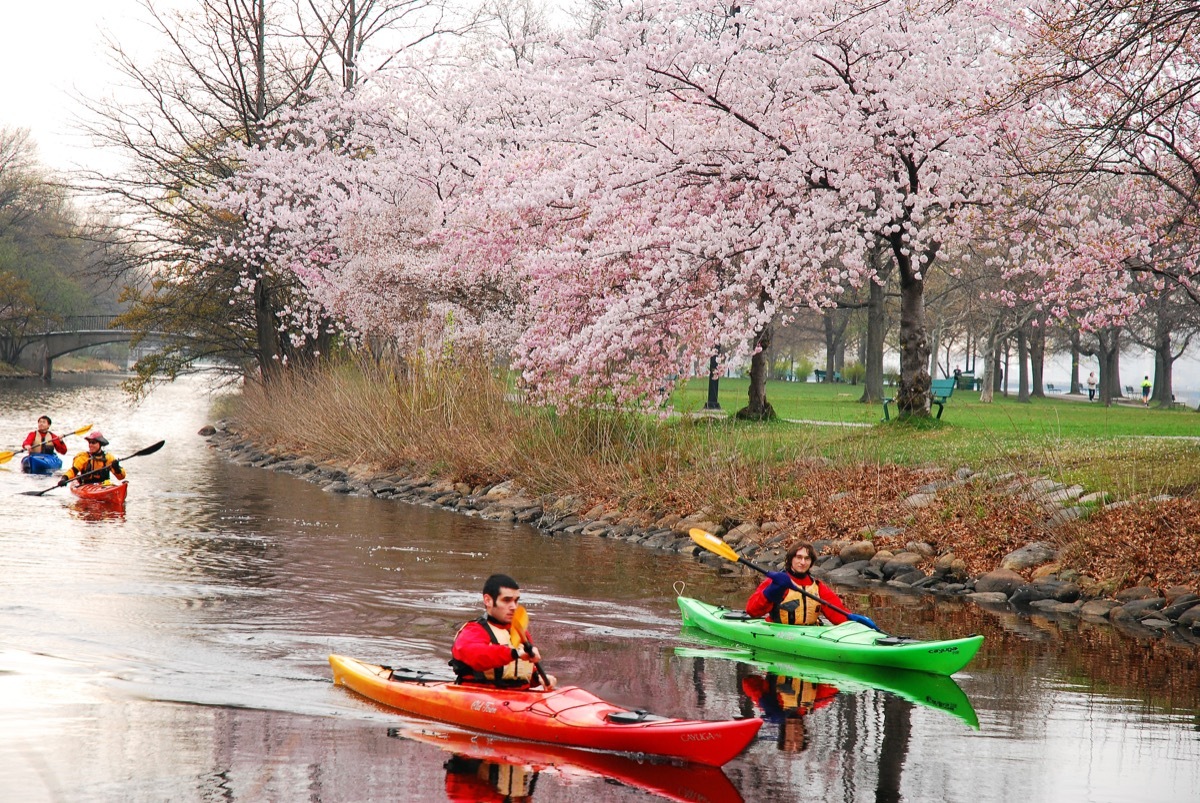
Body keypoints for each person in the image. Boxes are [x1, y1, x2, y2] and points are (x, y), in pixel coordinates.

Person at [450, 574, 554, 688]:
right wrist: (515, 653)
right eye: (506, 600)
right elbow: (478, 656)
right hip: (480, 697)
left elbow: (525, 674)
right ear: (488, 600)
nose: (514, 606)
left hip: (517, 700)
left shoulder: (521, 633)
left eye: (516, 601)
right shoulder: (472, 631)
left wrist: (539, 678)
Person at [746, 542, 851, 625]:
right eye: (799, 557)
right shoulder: (777, 582)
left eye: (807, 558)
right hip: (778, 633)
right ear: (791, 559)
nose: (803, 562)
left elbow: (839, 614)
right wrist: (771, 591)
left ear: (811, 562)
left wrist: (854, 625)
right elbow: (752, 611)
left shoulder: (817, 587)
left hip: (809, 635)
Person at [741, 673, 838, 752]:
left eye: (789, 740)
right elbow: (835, 686)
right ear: (803, 733)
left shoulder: (773, 707)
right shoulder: (813, 703)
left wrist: (764, 700)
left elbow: (747, 682)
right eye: (799, 741)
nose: (795, 734)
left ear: (783, 734)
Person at [59, 431, 126, 488]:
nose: (90, 445)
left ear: (100, 444)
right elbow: (73, 471)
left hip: (103, 485)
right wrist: (64, 478)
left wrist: (117, 468)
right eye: (89, 442)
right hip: (85, 485)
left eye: (93, 442)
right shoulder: (83, 457)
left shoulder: (108, 457)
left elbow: (121, 477)